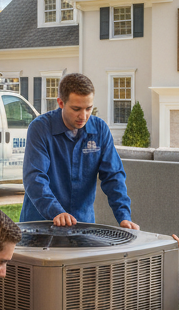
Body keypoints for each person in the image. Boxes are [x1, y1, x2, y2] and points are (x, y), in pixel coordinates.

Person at [21, 72, 139, 229]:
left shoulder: (100, 129)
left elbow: (113, 176)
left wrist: (123, 216)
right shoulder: (40, 128)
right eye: (76, 109)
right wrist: (56, 212)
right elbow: (34, 178)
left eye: (88, 108)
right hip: (40, 223)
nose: (83, 116)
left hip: (82, 224)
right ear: (60, 103)